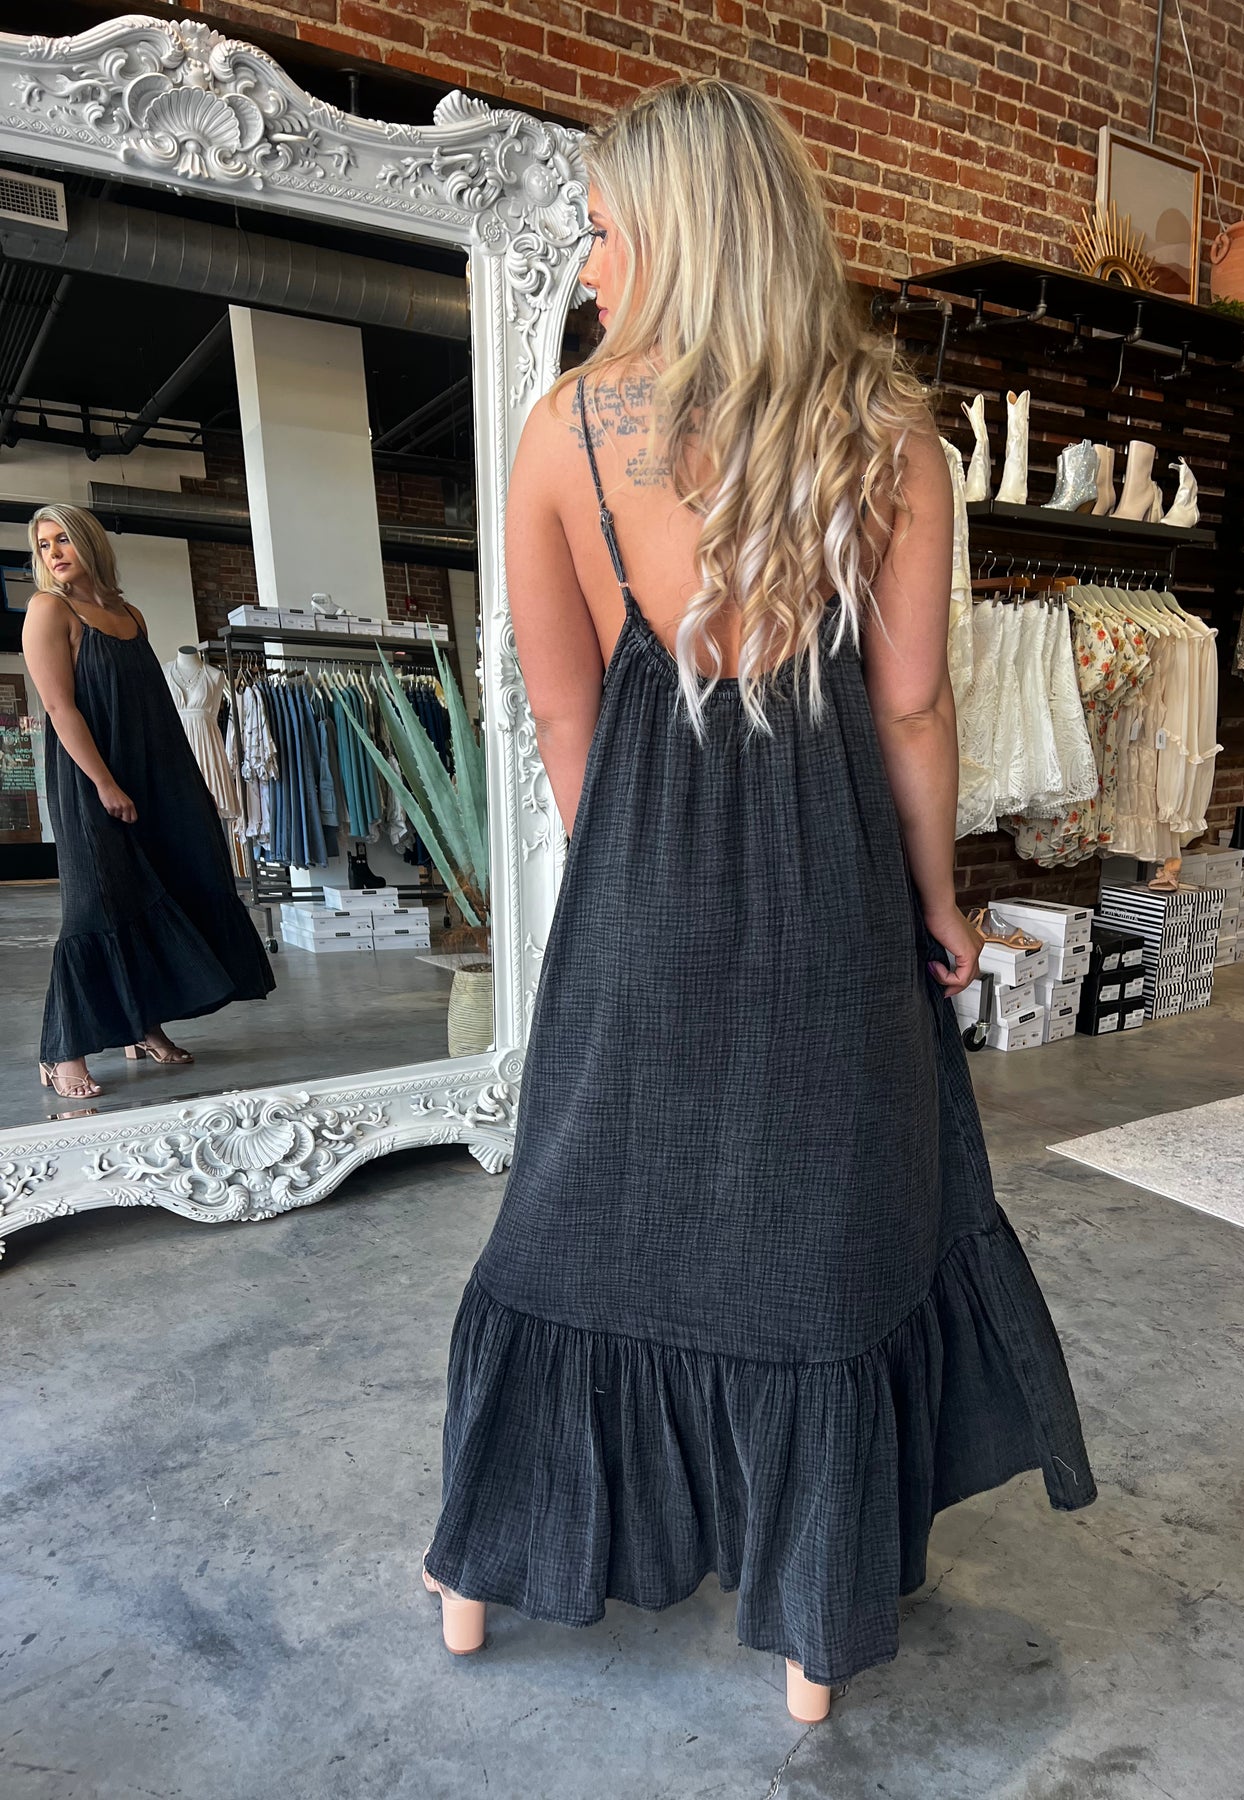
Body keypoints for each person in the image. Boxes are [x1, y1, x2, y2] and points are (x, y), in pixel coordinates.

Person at [423, 80, 1096, 1722]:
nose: (589, 265)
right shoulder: (892, 440)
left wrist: (632, 882)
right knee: (826, 1217)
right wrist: (939, 905)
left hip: (639, 892)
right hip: (834, 895)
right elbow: (912, 710)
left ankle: (480, 1565)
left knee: (582, 1205)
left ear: (684, 234)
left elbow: (564, 720)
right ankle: (809, 1620)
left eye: (604, 231)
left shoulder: (565, 432)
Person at [22, 504, 275, 1100]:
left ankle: (145, 1026)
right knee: (95, 904)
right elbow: (59, 708)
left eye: (63, 540)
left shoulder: (128, 615)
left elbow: (156, 710)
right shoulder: (48, 610)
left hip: (155, 773)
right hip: (90, 777)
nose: (54, 553)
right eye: (44, 545)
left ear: (90, 543)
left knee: (162, 886)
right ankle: (62, 1050)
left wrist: (187, 783)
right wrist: (105, 784)